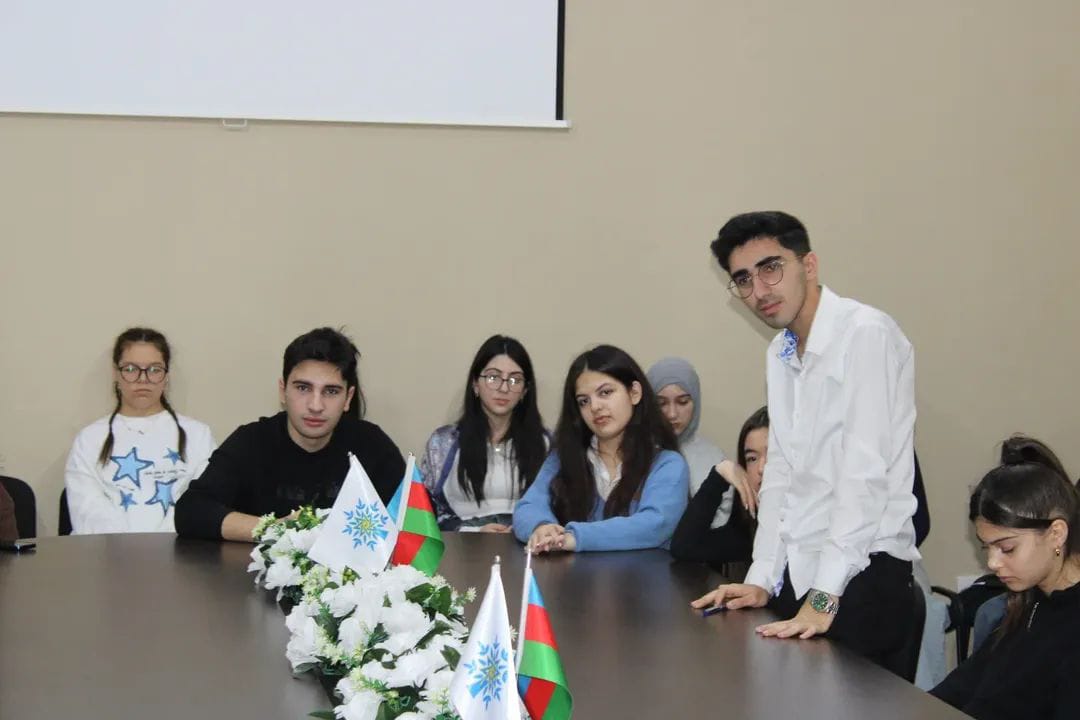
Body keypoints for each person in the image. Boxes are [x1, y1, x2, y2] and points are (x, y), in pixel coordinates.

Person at [693, 211, 919, 670]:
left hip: (861, 575)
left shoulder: (865, 333)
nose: (759, 290)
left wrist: (825, 596)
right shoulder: (779, 353)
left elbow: (863, 474)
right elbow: (782, 474)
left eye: (770, 268)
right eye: (743, 279)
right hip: (800, 574)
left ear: (809, 265)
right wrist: (761, 577)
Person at [175, 327, 405, 542]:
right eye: (303, 388)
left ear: (348, 398)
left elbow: (413, 519)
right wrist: (277, 529)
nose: (316, 405)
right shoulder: (252, 441)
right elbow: (191, 511)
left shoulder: (372, 445)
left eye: (331, 391)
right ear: (282, 390)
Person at [930, 436, 1080, 719]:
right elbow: (957, 690)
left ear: (1056, 534)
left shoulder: (1069, 625)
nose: (992, 563)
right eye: (986, 548)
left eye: (1007, 548)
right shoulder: (1028, 603)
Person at [512, 344, 689, 553]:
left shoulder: (666, 463)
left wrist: (573, 538)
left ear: (634, 393)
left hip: (643, 574)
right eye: (583, 401)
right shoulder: (563, 458)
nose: (594, 407)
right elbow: (528, 506)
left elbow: (654, 525)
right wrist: (542, 527)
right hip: (574, 574)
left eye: (605, 392)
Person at [64, 328, 216, 534]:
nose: (142, 379)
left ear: (166, 375)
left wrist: (163, 546)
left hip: (179, 549)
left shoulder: (198, 436)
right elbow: (88, 511)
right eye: (130, 369)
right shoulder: (89, 439)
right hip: (106, 550)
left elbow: (201, 504)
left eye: (154, 369)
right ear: (116, 374)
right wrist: (129, 549)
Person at [420, 335, 548, 532]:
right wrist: (474, 532)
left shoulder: (546, 444)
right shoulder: (443, 442)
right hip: (461, 543)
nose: (504, 388)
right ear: (475, 384)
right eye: (493, 377)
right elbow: (427, 511)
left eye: (515, 380)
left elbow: (558, 507)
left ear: (525, 391)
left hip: (525, 541)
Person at [671, 406, 768, 571]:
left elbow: (821, 585)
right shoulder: (749, 529)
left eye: (772, 455)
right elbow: (685, 547)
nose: (761, 468)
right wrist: (720, 473)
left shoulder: (812, 521)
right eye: (752, 458)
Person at [646, 358, 739, 525]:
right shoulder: (635, 453)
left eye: (682, 402)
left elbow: (721, 521)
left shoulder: (714, 459)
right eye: (661, 403)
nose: (672, 414)